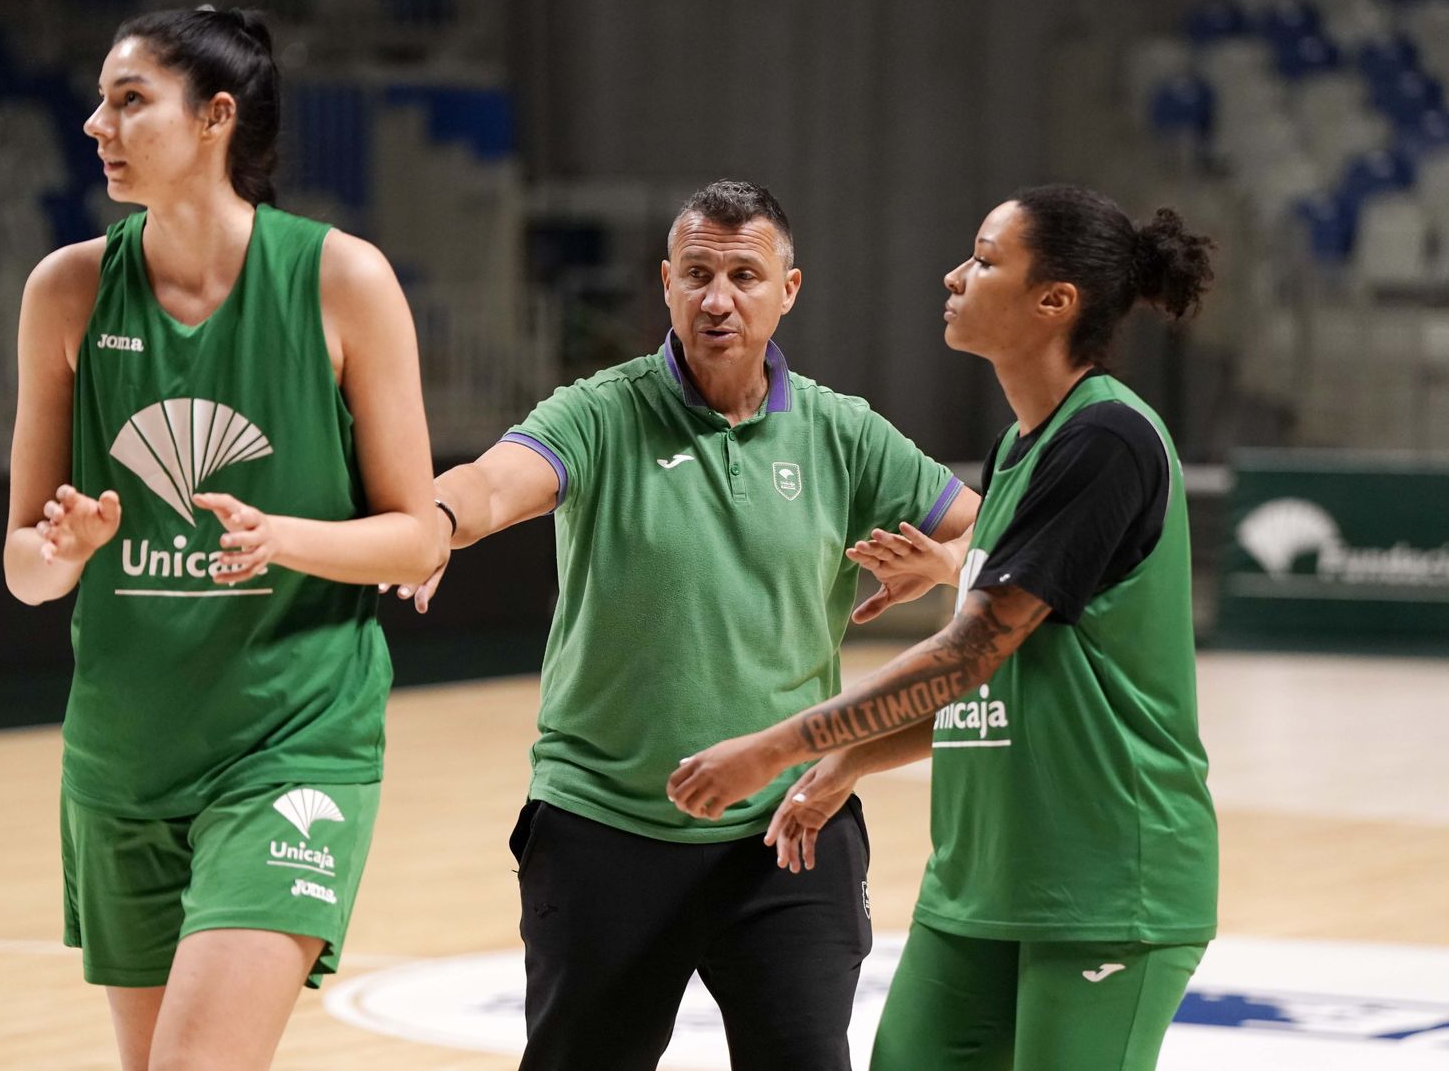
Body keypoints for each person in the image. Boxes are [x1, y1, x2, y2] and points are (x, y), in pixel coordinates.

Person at [389, 179, 979, 1071]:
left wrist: (945, 564)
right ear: (666, 283)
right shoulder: (600, 412)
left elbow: (988, 528)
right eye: (697, 272)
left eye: (745, 274)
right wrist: (438, 520)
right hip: (604, 830)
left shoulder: (841, 433)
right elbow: (493, 479)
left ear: (789, 290)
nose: (718, 297)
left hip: (787, 830)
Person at [669, 184, 1220, 1071]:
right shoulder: (1016, 451)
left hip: (1109, 882)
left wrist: (773, 747)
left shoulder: (1107, 439)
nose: (955, 275)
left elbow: (966, 656)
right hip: (981, 881)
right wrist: (848, 758)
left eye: (985, 259)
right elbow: (996, 689)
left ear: (1055, 301)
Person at [2, 7, 444, 1071]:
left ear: (215, 118)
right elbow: (21, 568)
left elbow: (418, 537)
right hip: (123, 756)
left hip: (289, 743)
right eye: (103, 99)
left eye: (127, 99)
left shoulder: (343, 280)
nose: (94, 122)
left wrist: (282, 536)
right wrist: (63, 547)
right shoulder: (64, 291)